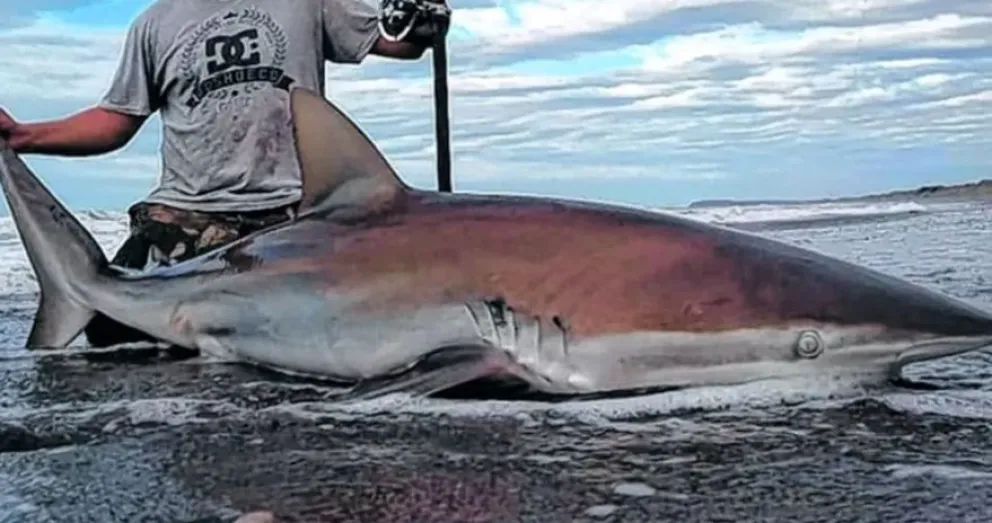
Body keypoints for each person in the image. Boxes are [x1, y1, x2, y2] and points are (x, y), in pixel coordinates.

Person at [0, 0, 449, 347]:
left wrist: (422, 23)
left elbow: (397, 41)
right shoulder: (154, 23)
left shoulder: (310, 3)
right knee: (108, 329)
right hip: (187, 213)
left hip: (292, 215)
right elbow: (117, 119)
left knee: (328, 338)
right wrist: (24, 136)